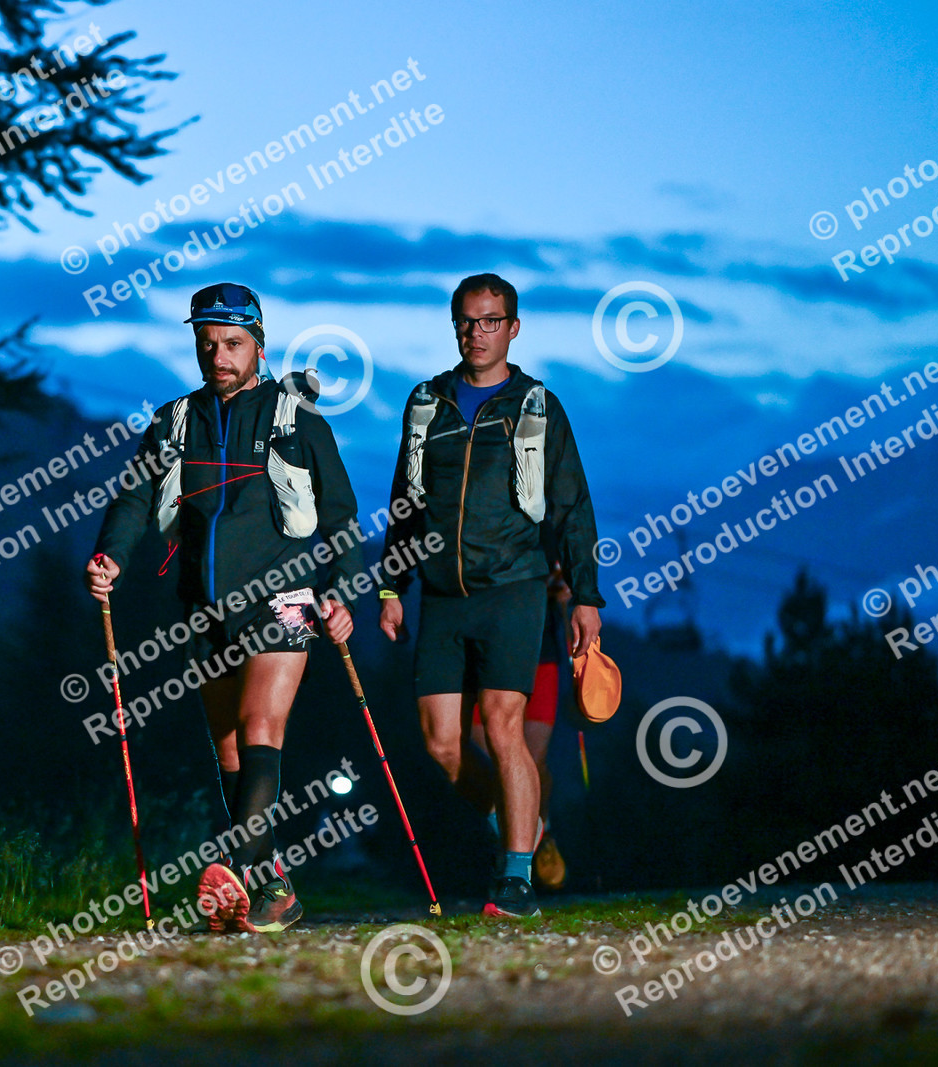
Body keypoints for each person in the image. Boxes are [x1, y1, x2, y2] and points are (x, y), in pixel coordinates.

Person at [86, 282, 362, 934]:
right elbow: (133, 498)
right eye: (207, 344)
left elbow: (341, 516)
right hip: (203, 607)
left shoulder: (299, 421)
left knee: (261, 726)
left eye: (232, 343)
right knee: (231, 749)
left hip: (283, 598)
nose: (218, 356)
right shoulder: (175, 421)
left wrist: (342, 590)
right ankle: (272, 889)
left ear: (259, 345)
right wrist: (111, 556)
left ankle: (236, 870)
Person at [377, 273, 605, 919]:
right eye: (467, 321)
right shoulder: (427, 402)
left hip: (514, 589)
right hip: (442, 596)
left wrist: (586, 597)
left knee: (505, 728)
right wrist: (392, 585)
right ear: (455, 326)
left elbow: (572, 506)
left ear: (513, 328)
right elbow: (405, 500)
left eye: (490, 321)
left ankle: (516, 879)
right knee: (442, 746)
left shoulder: (538, 406)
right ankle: (523, 825)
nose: (477, 333)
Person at [468, 560, 572, 891]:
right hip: (483, 649)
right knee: (492, 758)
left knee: (533, 758)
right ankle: (508, 846)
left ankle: (542, 832)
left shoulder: (549, 533)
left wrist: (566, 589)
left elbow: (573, 571)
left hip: (540, 652)